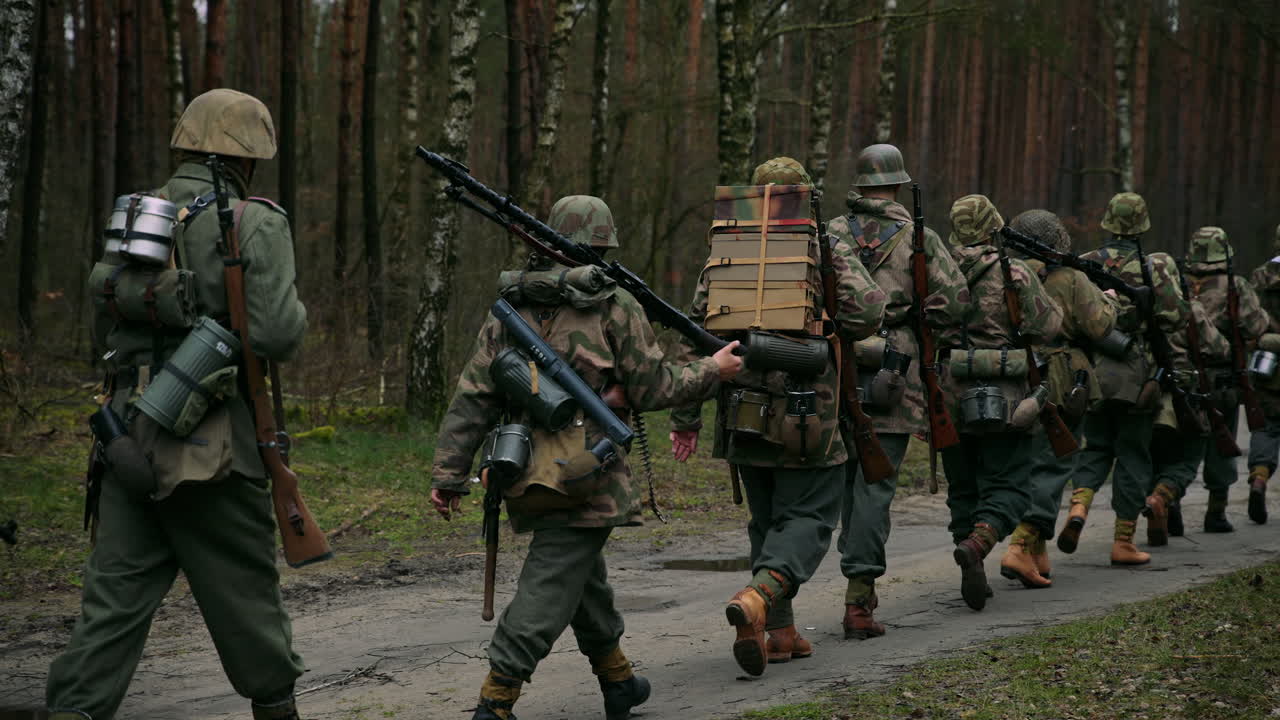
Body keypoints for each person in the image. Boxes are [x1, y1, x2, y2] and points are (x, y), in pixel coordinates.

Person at [46, 89, 310, 720]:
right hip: (216, 452)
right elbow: (277, 334)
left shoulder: (138, 216)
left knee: (109, 610)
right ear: (248, 157)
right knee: (249, 609)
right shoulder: (255, 221)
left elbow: (104, 333)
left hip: (127, 442)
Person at [429, 195, 743, 720]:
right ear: (602, 245)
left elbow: (473, 396)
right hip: (584, 471)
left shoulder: (512, 303)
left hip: (519, 462)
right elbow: (655, 386)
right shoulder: (612, 302)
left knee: (581, 575)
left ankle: (619, 682)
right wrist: (714, 368)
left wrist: (449, 473)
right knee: (553, 578)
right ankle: (497, 696)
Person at [670, 157, 886, 676]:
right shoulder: (825, 247)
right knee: (809, 519)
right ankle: (757, 598)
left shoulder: (728, 253)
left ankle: (781, 633)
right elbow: (869, 313)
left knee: (767, 520)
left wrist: (685, 416)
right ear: (803, 197)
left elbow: (693, 332)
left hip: (741, 410)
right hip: (809, 413)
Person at [824, 144, 967, 637]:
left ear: (860, 185)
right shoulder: (917, 237)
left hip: (835, 368)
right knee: (874, 486)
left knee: (837, 481)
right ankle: (858, 602)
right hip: (897, 371)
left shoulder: (831, 233)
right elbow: (954, 304)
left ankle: (777, 605)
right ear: (898, 184)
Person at [938, 195, 1062, 611]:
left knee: (962, 486)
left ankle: (966, 553)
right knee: (1009, 483)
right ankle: (978, 544)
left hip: (949, 396)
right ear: (995, 228)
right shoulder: (1015, 271)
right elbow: (1047, 327)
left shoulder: (935, 269)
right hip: (1004, 396)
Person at [1060, 192, 1188, 565]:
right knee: (1132, 452)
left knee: (1096, 446)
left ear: (1108, 223)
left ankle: (1078, 509)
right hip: (1138, 375)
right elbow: (1177, 317)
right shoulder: (1154, 267)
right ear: (1142, 226)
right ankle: (1123, 542)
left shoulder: (1084, 265)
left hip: (1091, 373)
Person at [998, 210, 1118, 587]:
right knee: (1052, 465)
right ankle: (1019, 547)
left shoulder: (1000, 272)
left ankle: (1037, 554)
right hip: (1061, 377)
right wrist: (1110, 301)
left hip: (1011, 376)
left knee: (1023, 462)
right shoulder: (1070, 277)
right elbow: (1098, 326)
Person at [1176, 227, 1271, 532]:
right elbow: (1255, 326)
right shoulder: (1235, 285)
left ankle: (1169, 507)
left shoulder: (1177, 284)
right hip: (1222, 380)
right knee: (1221, 441)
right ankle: (1215, 513)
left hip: (1180, 377)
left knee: (1180, 445)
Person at [1145, 260, 1232, 545]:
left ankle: (1166, 516)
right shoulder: (1189, 308)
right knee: (1187, 459)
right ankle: (1161, 498)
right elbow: (1218, 347)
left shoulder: (1139, 307)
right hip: (1186, 394)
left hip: (1148, 392)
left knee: (1158, 456)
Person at [1247, 224, 1280, 524]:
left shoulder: (1260, 276)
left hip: (1270, 363)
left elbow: (1250, 322)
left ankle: (1259, 479)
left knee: (1266, 428)